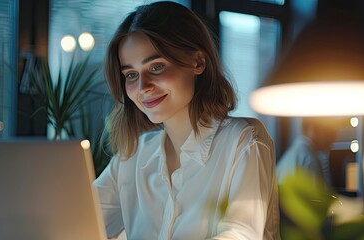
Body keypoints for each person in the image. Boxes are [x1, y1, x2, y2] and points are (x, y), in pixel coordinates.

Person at [94, 2, 280, 239]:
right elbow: (75, 221)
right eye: (131, 74)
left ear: (198, 62)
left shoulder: (244, 139)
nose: (143, 87)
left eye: (157, 66)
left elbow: (240, 234)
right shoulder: (133, 156)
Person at [276, 117, 338, 185]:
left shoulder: (294, 152)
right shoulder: (310, 158)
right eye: (330, 131)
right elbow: (314, 195)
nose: (333, 137)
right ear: (314, 129)